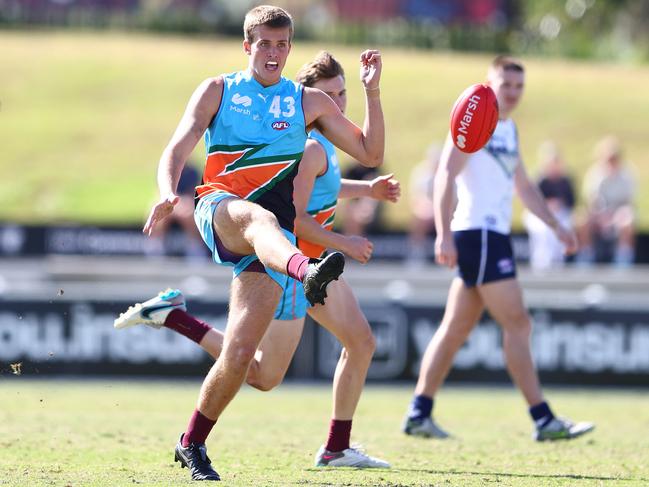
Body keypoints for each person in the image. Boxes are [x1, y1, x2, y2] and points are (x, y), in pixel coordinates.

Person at [119, 6, 385, 481]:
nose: (274, 53)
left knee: (244, 359)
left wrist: (372, 91)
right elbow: (178, 147)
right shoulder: (218, 90)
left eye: (282, 45)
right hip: (220, 211)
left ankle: (191, 442)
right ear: (247, 46)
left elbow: (370, 152)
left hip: (272, 243)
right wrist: (166, 192)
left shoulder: (306, 102)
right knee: (257, 215)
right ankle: (309, 273)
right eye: (265, 43)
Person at [402, 56, 594, 442]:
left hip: (492, 236)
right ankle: (543, 418)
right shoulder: (475, 120)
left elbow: (523, 186)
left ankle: (418, 412)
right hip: (480, 234)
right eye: (505, 84)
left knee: (455, 329)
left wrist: (557, 226)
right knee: (519, 322)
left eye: (518, 86)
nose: (512, 92)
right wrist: (444, 232)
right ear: (489, 83)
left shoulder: (509, 129)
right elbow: (446, 174)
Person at [576, 135, 635, 267]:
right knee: (581, 219)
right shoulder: (594, 174)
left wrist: (615, 216)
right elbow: (592, 202)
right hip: (599, 214)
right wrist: (601, 216)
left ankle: (623, 257)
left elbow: (628, 203)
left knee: (627, 219)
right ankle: (586, 254)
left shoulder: (627, 174)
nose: (611, 162)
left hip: (619, 214)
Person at [524, 141, 576, 269]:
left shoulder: (565, 180)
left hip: (561, 214)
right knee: (542, 230)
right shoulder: (540, 179)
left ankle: (558, 260)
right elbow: (532, 201)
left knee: (562, 227)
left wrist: (560, 204)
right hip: (540, 214)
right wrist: (548, 206)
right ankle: (540, 262)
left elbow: (572, 202)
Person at [143, 163, 207, 260]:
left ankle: (195, 247)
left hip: (184, 203)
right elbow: (159, 192)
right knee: (159, 214)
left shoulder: (192, 172)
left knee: (189, 213)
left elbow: (193, 194)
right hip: (168, 201)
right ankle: (155, 247)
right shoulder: (164, 169)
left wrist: (178, 204)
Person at [405, 144, 441, 266]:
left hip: (443, 211)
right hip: (426, 210)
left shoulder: (447, 174)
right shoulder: (421, 173)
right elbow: (416, 197)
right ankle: (417, 253)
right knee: (420, 218)